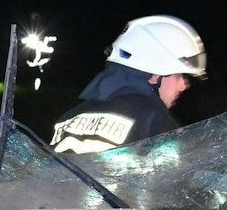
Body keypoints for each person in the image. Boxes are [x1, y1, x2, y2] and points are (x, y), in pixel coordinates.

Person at [51, 15, 206, 154]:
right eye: (179, 75)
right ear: (155, 74)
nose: (183, 86)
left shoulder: (70, 117)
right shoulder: (153, 119)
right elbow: (182, 179)